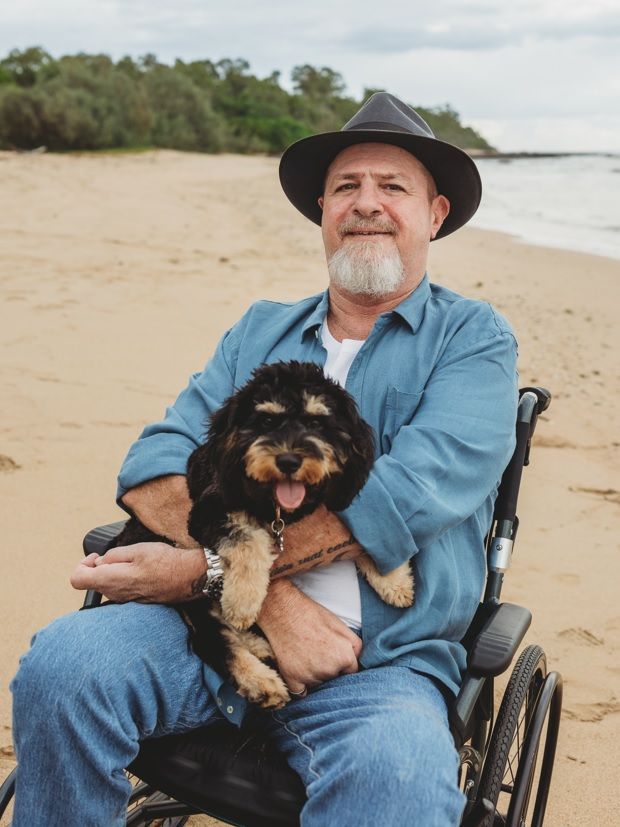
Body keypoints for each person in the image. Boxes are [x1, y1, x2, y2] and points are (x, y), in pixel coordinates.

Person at [10, 92, 518, 826]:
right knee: (63, 669)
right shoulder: (259, 330)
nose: (366, 203)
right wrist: (264, 599)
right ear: (322, 209)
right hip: (206, 631)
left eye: (392, 187)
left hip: (378, 664)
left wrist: (194, 566)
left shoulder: (474, 340)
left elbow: (405, 492)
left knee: (399, 781)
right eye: (347, 186)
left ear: (435, 214)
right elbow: (156, 464)